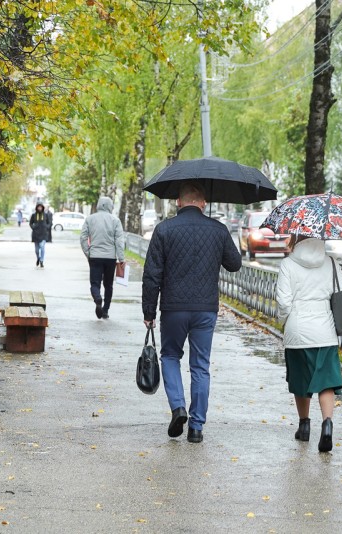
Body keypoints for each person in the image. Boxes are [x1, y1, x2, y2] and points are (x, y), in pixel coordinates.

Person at [142, 181, 242, 444]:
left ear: (178, 201)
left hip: (173, 308)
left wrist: (149, 311)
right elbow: (235, 264)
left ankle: (178, 407)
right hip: (205, 309)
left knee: (170, 356)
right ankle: (196, 427)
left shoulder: (164, 230)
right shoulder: (218, 229)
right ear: (203, 203)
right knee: (200, 366)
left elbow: (152, 274)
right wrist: (224, 239)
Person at [276, 234, 342, 453]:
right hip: (325, 331)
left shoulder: (288, 264)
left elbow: (284, 302)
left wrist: (283, 321)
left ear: (296, 238)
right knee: (326, 381)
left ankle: (304, 425)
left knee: (301, 379)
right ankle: (327, 424)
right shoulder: (331, 262)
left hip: (298, 330)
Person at [80, 197, 125, 319]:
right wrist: (121, 258)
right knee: (108, 284)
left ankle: (97, 298)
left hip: (95, 256)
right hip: (110, 258)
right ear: (110, 206)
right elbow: (119, 241)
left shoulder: (90, 219)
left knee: (95, 283)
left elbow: (83, 237)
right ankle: (105, 310)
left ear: (99, 205)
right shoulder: (115, 220)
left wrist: (88, 252)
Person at [29, 203, 51, 268]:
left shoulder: (45, 215)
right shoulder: (33, 215)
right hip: (36, 234)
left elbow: (49, 223)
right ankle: (38, 258)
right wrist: (33, 227)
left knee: (42, 247)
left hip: (43, 233)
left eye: (41, 207)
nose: (40, 208)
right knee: (36, 250)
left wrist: (46, 227)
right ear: (36, 208)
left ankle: (41, 260)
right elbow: (30, 223)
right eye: (38, 207)